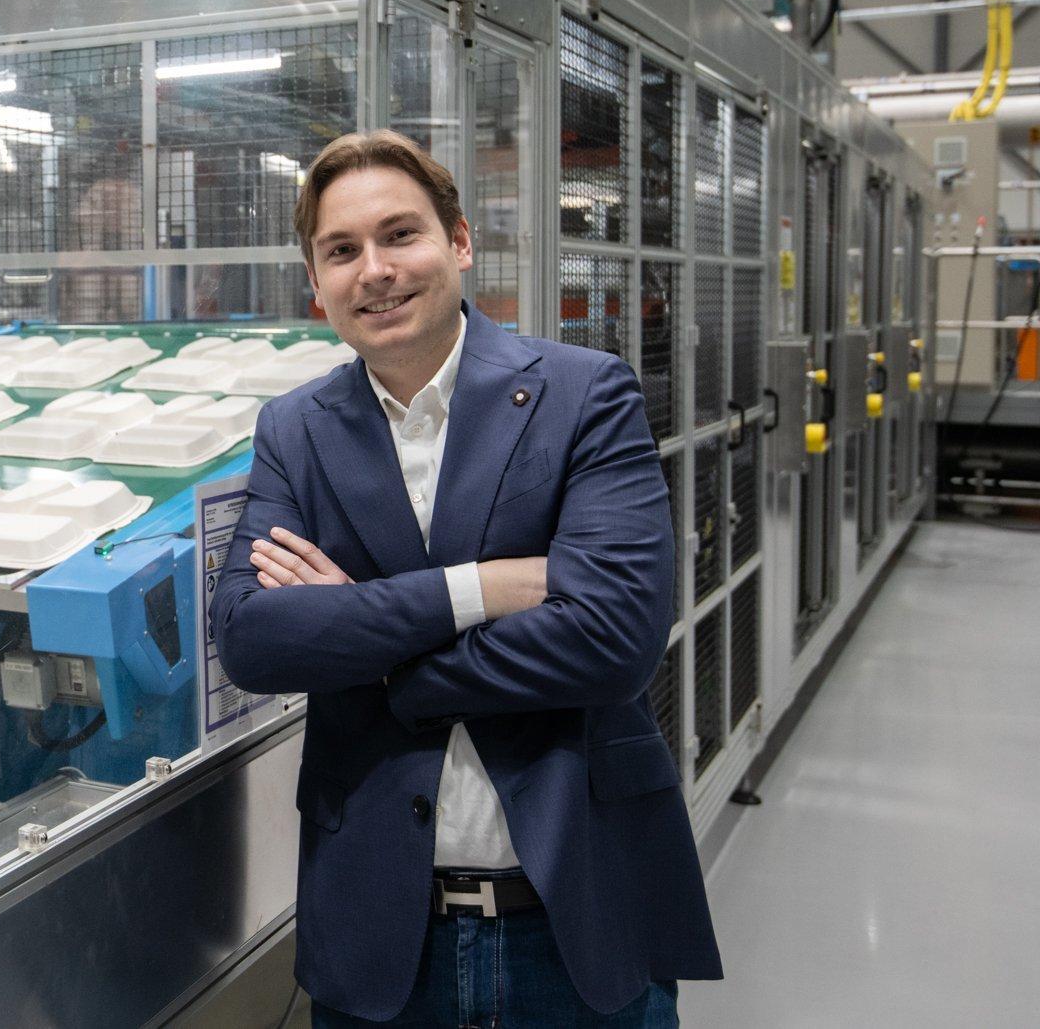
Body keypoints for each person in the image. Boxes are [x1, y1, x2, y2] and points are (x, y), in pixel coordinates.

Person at [209, 131, 720, 1027]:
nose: (375, 269)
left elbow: (614, 640)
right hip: (383, 934)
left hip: (576, 914)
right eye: (342, 250)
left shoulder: (584, 394)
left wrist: (370, 650)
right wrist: (481, 588)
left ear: (459, 242)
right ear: (315, 281)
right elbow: (252, 640)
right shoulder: (294, 429)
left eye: (400, 234)